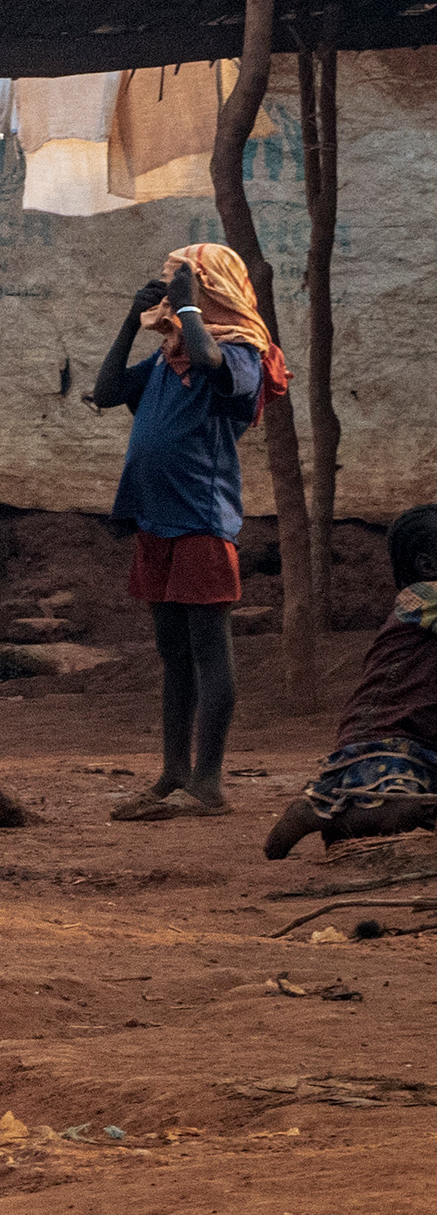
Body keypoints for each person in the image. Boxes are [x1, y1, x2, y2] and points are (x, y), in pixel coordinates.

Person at [89, 243, 277, 821]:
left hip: (201, 518)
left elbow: (214, 362)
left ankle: (209, 780)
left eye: (185, 282)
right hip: (156, 518)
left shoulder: (243, 350)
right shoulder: (169, 359)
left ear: (211, 290)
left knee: (208, 650)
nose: (173, 292)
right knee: (174, 655)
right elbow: (105, 392)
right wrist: (131, 319)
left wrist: (191, 311)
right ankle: (174, 771)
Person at [266, 505, 437, 858]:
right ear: (427, 566)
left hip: (418, 736)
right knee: (405, 809)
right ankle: (320, 817)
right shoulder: (422, 597)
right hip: (386, 734)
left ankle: (349, 820)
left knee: (412, 809)